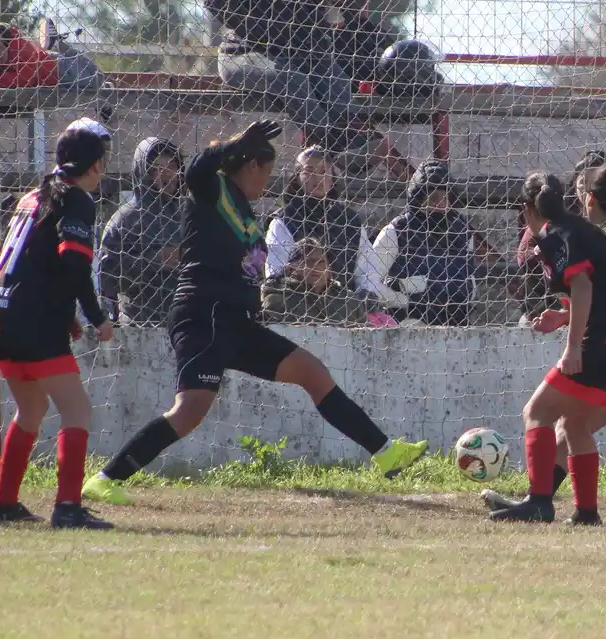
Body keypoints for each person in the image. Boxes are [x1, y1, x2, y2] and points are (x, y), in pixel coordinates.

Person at [80, 120, 427, 506]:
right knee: (188, 412)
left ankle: (386, 452)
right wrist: (235, 141)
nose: (268, 182)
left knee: (313, 372)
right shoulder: (213, 191)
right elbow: (196, 170)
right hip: (203, 317)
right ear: (251, 166)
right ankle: (106, 479)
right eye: (267, 172)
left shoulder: (245, 210)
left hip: (236, 322)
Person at [484, 152, 606, 512]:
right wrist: (566, 317)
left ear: (590, 200)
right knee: (574, 423)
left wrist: (572, 341)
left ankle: (540, 501)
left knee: (557, 420)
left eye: (581, 193)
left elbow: (592, 290)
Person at [0, 126, 115, 530]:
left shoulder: (33, 195)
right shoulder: (76, 199)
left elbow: (35, 261)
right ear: (95, 164)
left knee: (32, 408)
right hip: (32, 318)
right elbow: (75, 265)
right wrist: (97, 317)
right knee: (77, 410)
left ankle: (4, 504)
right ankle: (68, 507)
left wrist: (64, 313)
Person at [206, 0, 368, 156]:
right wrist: (262, 30)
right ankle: (335, 150)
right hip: (246, 52)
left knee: (336, 79)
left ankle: (359, 150)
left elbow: (357, 2)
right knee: (291, 78)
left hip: (305, 54)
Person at [365, 161, 478, 326]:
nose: (440, 204)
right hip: (408, 323)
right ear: (419, 199)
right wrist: (404, 300)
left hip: (456, 324)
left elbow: (469, 280)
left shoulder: (462, 232)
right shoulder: (396, 231)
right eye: (433, 198)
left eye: (445, 198)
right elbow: (369, 283)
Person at [510, 150, 606, 325]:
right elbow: (524, 256)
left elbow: (583, 287)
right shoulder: (555, 226)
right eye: (583, 183)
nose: (587, 190)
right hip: (546, 302)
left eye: (593, 184)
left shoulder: (580, 230)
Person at [99, 137, 184, 326]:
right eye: (157, 168)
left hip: (184, 322)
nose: (166, 173)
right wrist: (155, 260)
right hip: (139, 322)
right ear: (143, 172)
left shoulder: (185, 216)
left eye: (171, 166)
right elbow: (106, 274)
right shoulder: (126, 218)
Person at [265, 146, 367, 288]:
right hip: (296, 297)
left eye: (324, 171)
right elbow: (275, 273)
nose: (318, 177)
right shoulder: (285, 220)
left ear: (332, 178)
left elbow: (368, 274)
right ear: (297, 177)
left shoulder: (350, 220)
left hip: (343, 299)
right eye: (309, 171)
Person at [0, 21, 106, 93]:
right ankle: (56, 43)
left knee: (98, 78)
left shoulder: (20, 48)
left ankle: (57, 44)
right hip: (50, 66)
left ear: (3, 41)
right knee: (94, 75)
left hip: (59, 70)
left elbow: (24, 80)